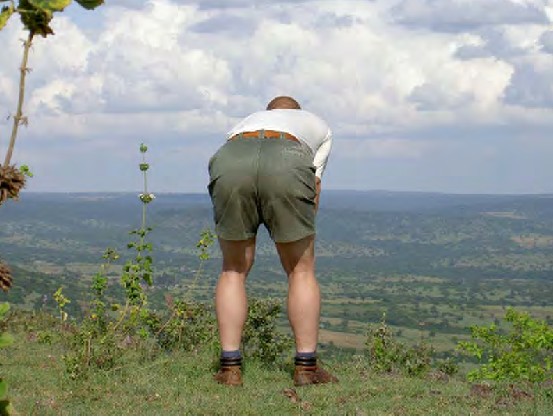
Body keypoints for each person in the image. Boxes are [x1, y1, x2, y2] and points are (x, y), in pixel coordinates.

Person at [207, 95, 337, 386]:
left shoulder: (245, 123)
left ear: (268, 112)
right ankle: (306, 368)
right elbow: (314, 185)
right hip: (287, 158)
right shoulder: (319, 125)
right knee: (301, 271)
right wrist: (302, 226)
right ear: (298, 112)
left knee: (233, 269)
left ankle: (230, 369)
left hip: (232, 159)